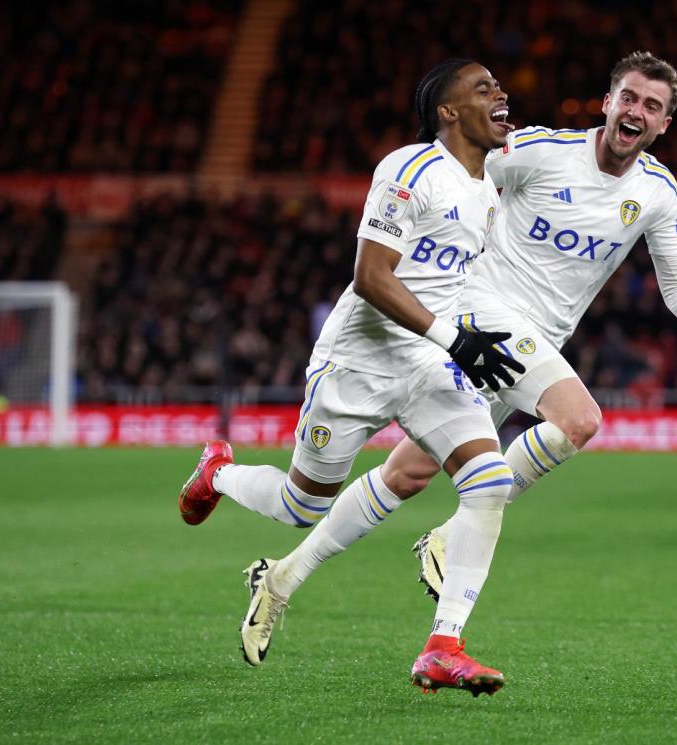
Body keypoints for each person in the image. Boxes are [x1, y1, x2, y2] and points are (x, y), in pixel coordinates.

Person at [224, 51, 677, 618]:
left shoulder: (658, 194)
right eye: (628, 97)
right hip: (478, 314)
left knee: (407, 474)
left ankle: (282, 577)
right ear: (607, 102)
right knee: (579, 419)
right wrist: (410, 239)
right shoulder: (544, 151)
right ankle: (448, 540)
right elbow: (456, 170)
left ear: (665, 123)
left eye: (651, 105)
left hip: (534, 342)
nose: (636, 111)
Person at [177, 59, 524, 695]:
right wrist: (456, 337)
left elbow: (451, 280)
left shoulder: (488, 190)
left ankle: (443, 646)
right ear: (448, 112)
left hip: (425, 364)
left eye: (499, 86)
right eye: (483, 88)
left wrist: (477, 337)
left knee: (490, 481)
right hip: (358, 363)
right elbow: (372, 275)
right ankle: (218, 472)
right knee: (298, 505)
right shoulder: (409, 168)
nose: (501, 94)